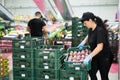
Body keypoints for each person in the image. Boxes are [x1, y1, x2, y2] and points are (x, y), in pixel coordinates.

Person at [77, 12, 113, 80]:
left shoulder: (100, 31)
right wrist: (83, 42)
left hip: (105, 57)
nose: (84, 25)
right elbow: (88, 36)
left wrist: (89, 56)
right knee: (91, 73)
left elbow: (100, 47)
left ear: (90, 20)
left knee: (104, 76)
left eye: (85, 23)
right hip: (96, 55)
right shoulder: (91, 29)